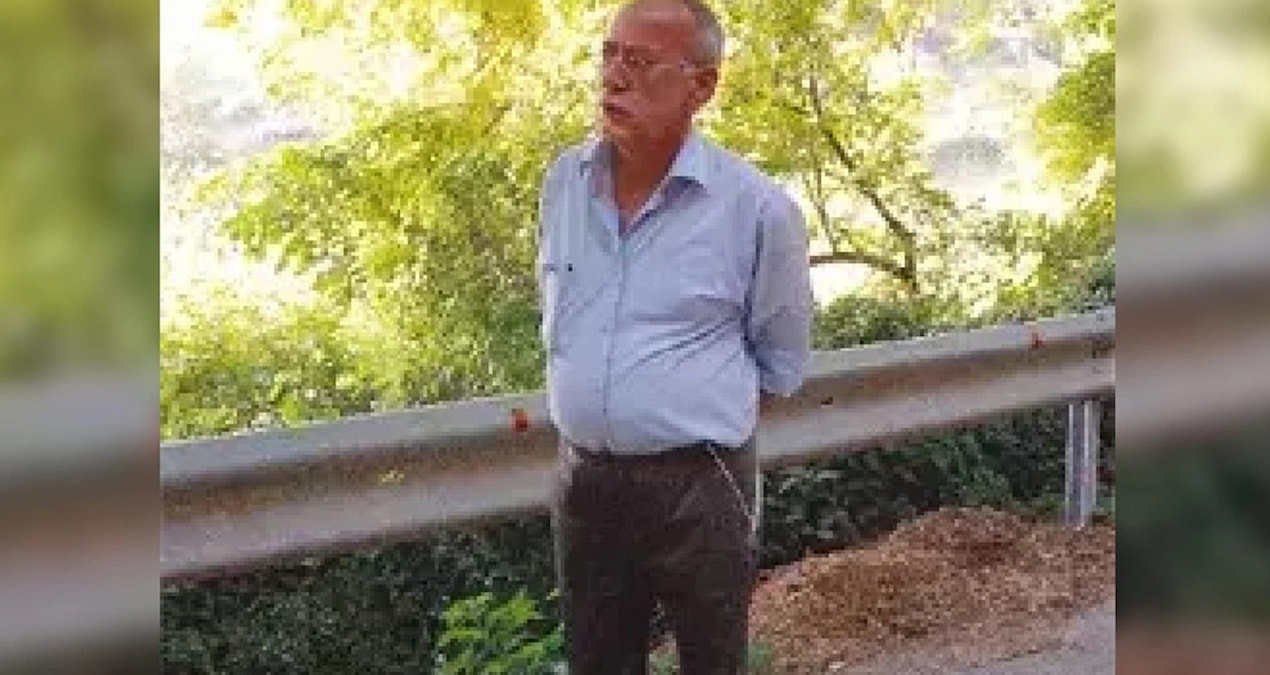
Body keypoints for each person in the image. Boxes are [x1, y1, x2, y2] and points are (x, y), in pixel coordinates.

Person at [535, 0, 813, 672]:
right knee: (596, 661)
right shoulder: (565, 183)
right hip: (586, 479)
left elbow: (780, 358)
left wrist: (683, 419)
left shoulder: (757, 210)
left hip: (701, 482)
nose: (614, 77)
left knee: (712, 662)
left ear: (702, 85)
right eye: (609, 55)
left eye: (640, 61)